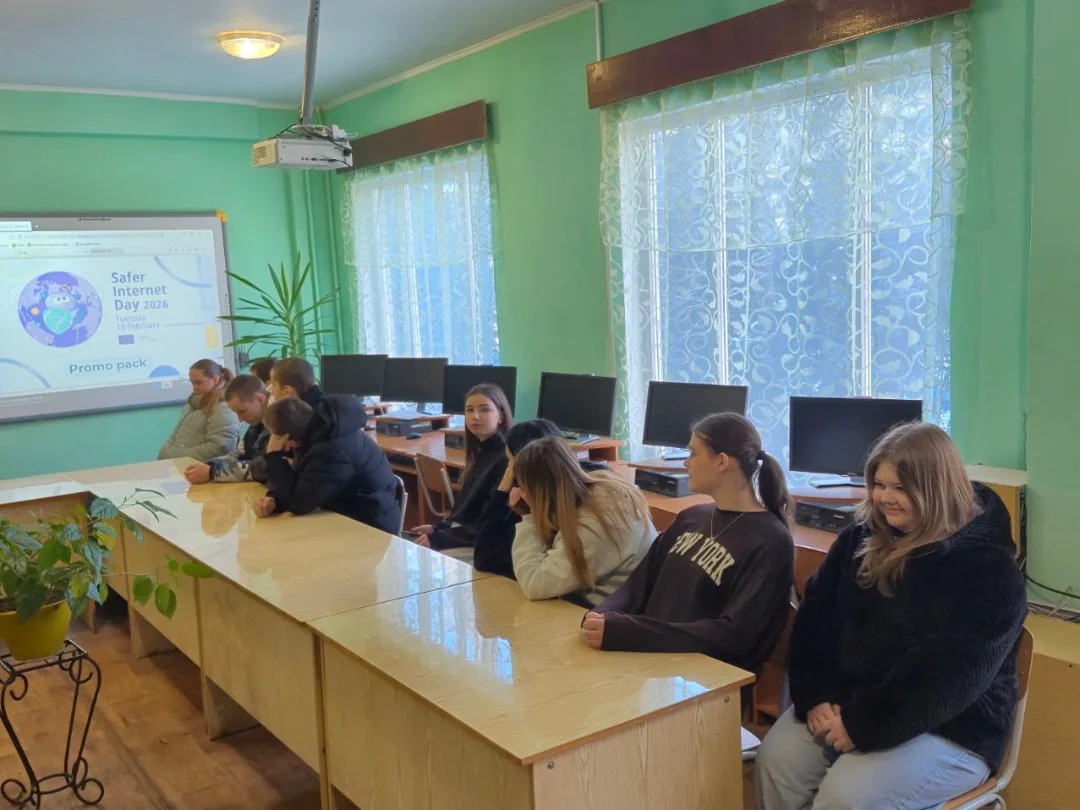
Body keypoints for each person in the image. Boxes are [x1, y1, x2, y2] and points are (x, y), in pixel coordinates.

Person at [755, 422, 1027, 810]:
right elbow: (816, 619)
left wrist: (864, 724)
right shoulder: (858, 536)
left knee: (846, 797)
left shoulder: (991, 571)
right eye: (879, 484)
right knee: (776, 762)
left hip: (953, 726)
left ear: (934, 488)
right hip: (850, 701)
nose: (884, 497)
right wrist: (816, 694)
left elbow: (952, 675)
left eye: (900, 488)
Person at [581, 412, 794, 676]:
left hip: (703, 681)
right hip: (649, 664)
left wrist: (629, 632)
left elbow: (733, 636)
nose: (685, 462)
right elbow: (638, 584)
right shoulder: (692, 517)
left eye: (693, 453)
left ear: (722, 462)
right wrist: (603, 613)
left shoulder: (771, 541)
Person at [510, 437, 655, 606]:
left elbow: (533, 583)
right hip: (614, 606)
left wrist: (529, 516)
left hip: (611, 612)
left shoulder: (596, 522)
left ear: (535, 492)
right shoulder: (599, 488)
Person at [473, 418, 608, 579]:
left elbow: (487, 558)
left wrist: (521, 510)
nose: (509, 471)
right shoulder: (579, 479)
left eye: (511, 463)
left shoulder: (548, 497)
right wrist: (502, 489)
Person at [252, 394, 399, 533]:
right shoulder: (318, 431)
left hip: (370, 527)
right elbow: (302, 485)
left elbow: (299, 504)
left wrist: (274, 457)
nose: (282, 447)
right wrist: (275, 500)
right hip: (346, 514)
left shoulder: (331, 450)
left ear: (288, 438)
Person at [409, 384, 513, 554]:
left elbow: (488, 524)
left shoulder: (506, 459)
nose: (475, 416)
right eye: (469, 410)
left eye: (484, 409)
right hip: (463, 534)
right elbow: (467, 512)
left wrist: (439, 538)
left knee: (425, 557)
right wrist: (438, 528)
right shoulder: (481, 451)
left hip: (483, 543)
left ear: (501, 416)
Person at [182, 374, 271, 485]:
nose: (240, 419)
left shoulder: (279, 425)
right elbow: (241, 454)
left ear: (260, 399)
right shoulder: (257, 422)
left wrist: (212, 472)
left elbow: (266, 467)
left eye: (242, 411)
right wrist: (211, 465)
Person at [158, 359, 241, 463]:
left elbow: (220, 447)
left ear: (215, 379)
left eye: (199, 383)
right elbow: (175, 437)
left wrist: (178, 457)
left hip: (200, 469)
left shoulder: (224, 408)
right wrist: (165, 454)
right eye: (192, 383)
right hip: (180, 465)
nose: (194, 388)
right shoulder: (193, 403)